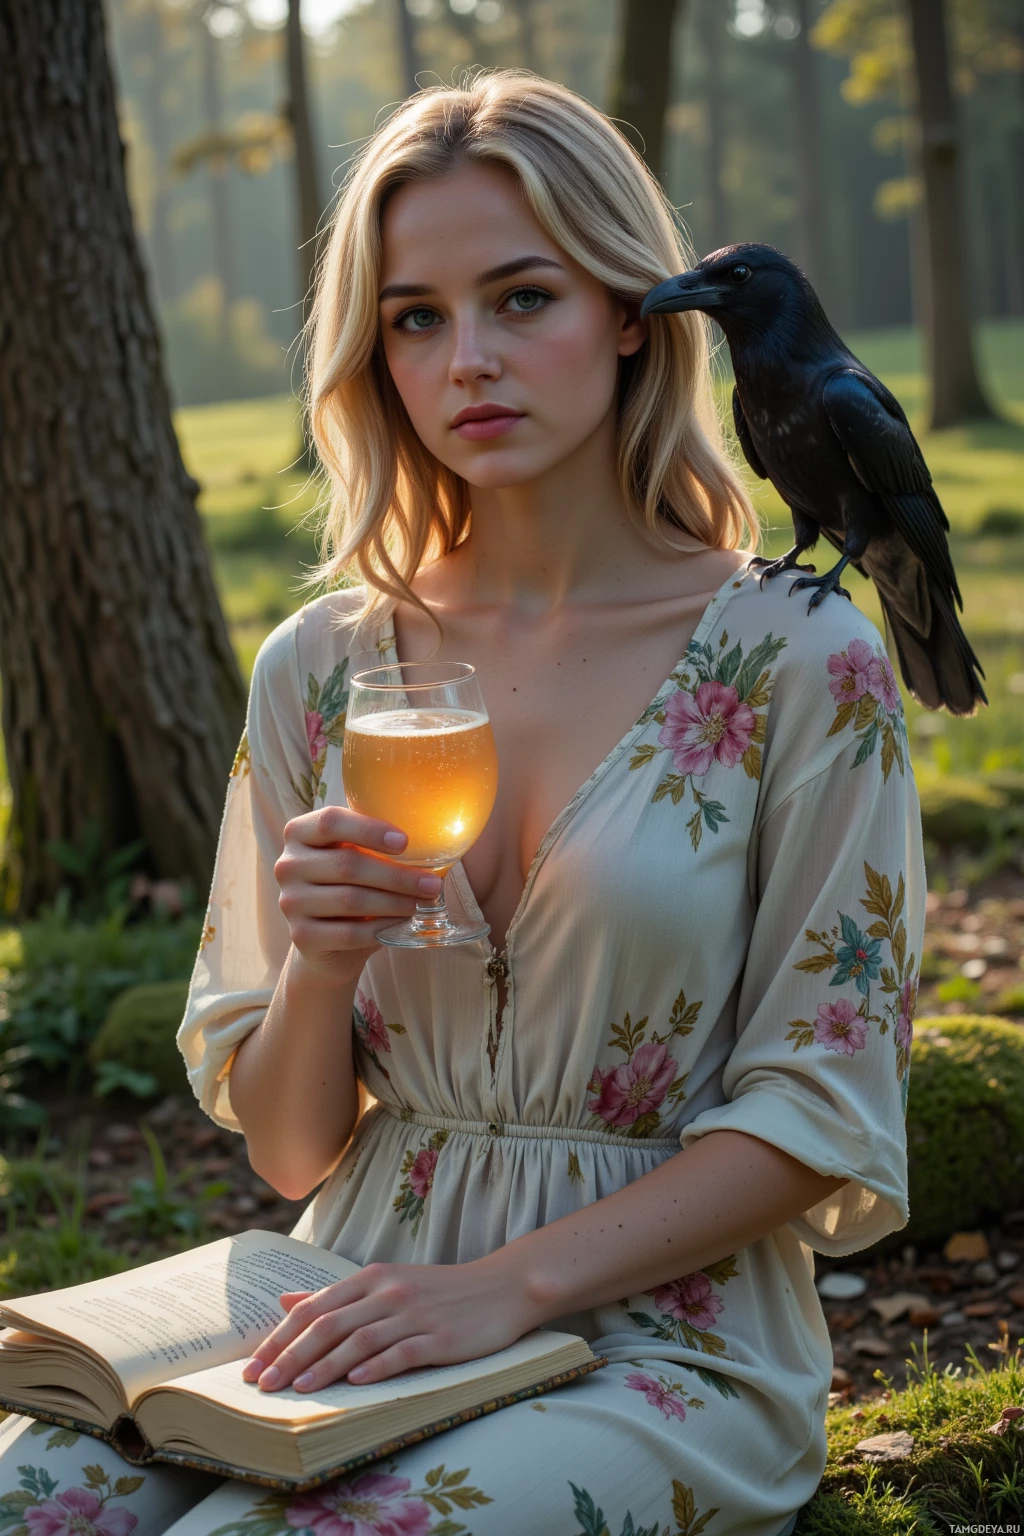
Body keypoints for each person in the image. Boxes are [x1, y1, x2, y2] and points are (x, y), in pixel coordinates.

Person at [0, 71, 925, 1536]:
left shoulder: (806, 654)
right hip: (352, 1297)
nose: (467, 361)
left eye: (522, 298)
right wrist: (317, 958)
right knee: (27, 1494)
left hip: (661, 1333)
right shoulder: (324, 666)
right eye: (416, 317)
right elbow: (293, 1152)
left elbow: (824, 1106)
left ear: (634, 311)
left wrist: (501, 1290)